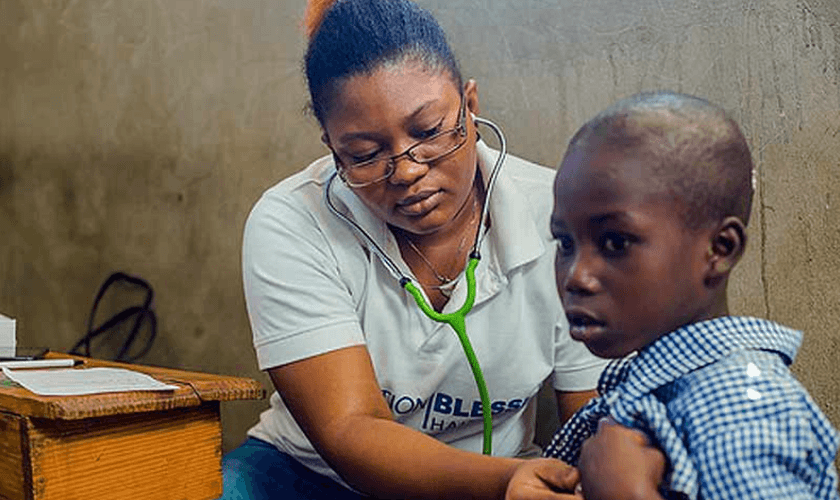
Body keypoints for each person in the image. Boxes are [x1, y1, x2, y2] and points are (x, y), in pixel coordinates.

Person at [221, 0, 613, 498]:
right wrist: (506, 482)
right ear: (333, 149)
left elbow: (592, 420)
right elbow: (349, 429)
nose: (406, 171)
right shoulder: (290, 221)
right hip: (313, 477)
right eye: (365, 154)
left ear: (470, 106)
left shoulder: (558, 216)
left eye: (428, 132)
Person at [543, 90, 840, 500]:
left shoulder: (740, 414)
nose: (577, 276)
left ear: (719, 249)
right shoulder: (660, 384)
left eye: (615, 243)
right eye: (565, 243)